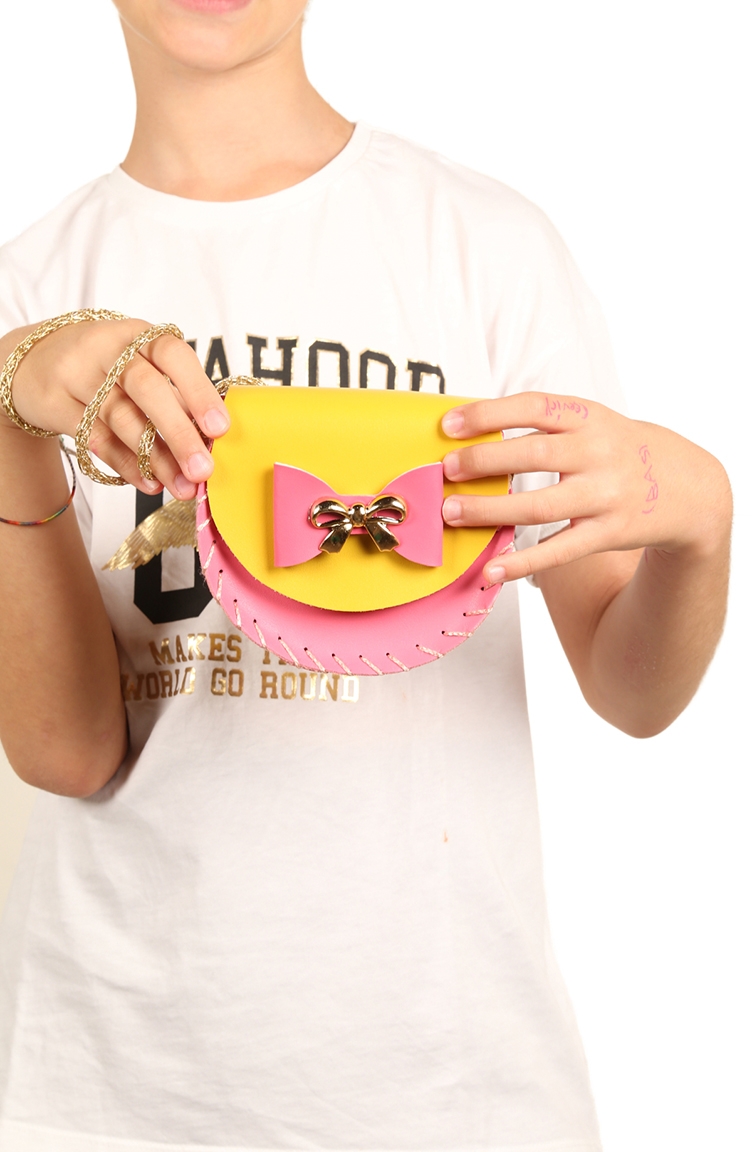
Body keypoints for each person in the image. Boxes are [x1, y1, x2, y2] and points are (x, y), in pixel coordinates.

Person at [0, 2, 732, 1151]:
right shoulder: (31, 283)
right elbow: (66, 753)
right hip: (118, 1082)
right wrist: (7, 412)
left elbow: (629, 690)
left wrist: (700, 527)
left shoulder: (480, 242)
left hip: (451, 1083)